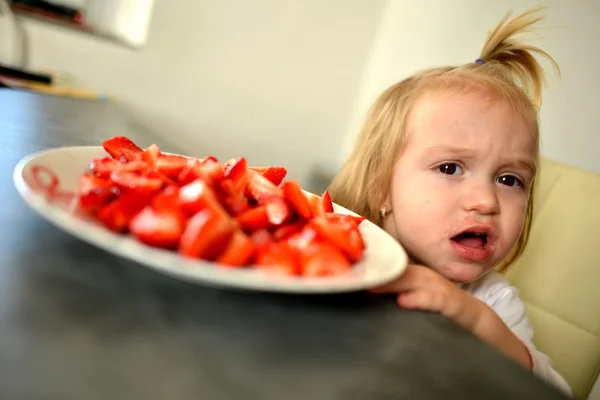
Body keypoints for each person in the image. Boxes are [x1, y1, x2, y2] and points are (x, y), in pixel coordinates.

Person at [328, 6, 572, 396]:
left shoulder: (493, 303)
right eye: (450, 168)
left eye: (510, 179)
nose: (485, 201)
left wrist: (478, 324)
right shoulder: (339, 250)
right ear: (380, 187)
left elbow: (551, 392)